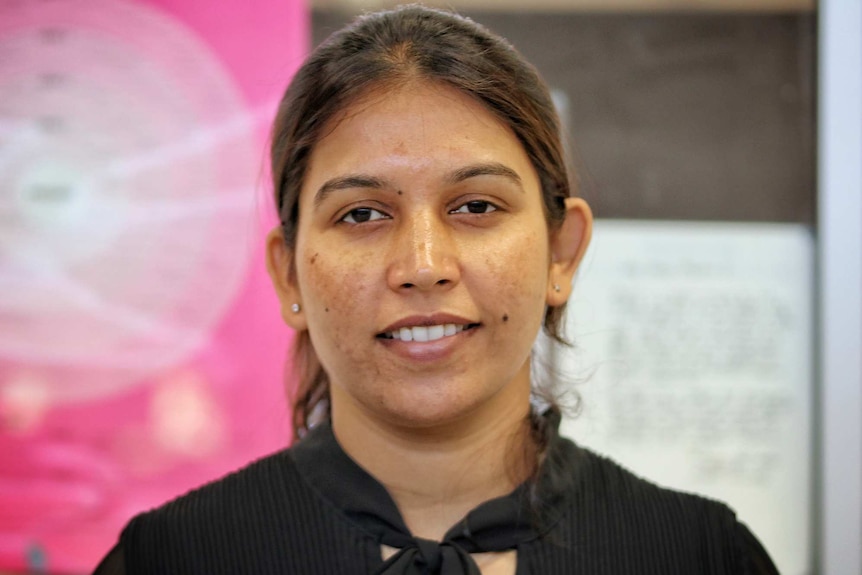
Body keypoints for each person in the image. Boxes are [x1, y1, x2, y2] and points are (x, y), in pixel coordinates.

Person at [93, 5, 778, 574]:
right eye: (362, 214)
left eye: (475, 206)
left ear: (562, 252)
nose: (423, 264)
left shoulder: (699, 555)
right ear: (290, 273)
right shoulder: (173, 559)